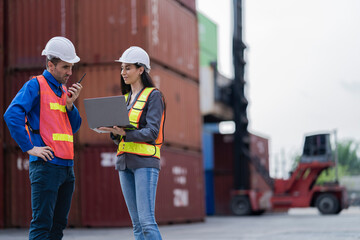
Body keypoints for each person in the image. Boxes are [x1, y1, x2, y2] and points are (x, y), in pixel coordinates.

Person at [3, 36, 82, 240]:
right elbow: (11, 114)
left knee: (58, 227)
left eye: (71, 67)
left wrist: (71, 105)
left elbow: (74, 127)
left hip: (66, 168)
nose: (69, 73)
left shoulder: (64, 91)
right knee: (41, 226)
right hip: (46, 166)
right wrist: (30, 148)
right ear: (50, 65)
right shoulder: (35, 85)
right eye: (65, 67)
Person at [98, 46, 165, 240]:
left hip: (145, 162)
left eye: (128, 68)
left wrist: (125, 134)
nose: (123, 72)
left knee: (147, 223)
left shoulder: (154, 96)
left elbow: (152, 131)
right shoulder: (125, 99)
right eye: (122, 68)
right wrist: (113, 132)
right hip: (124, 163)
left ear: (141, 69)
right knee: (137, 226)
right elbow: (121, 136)